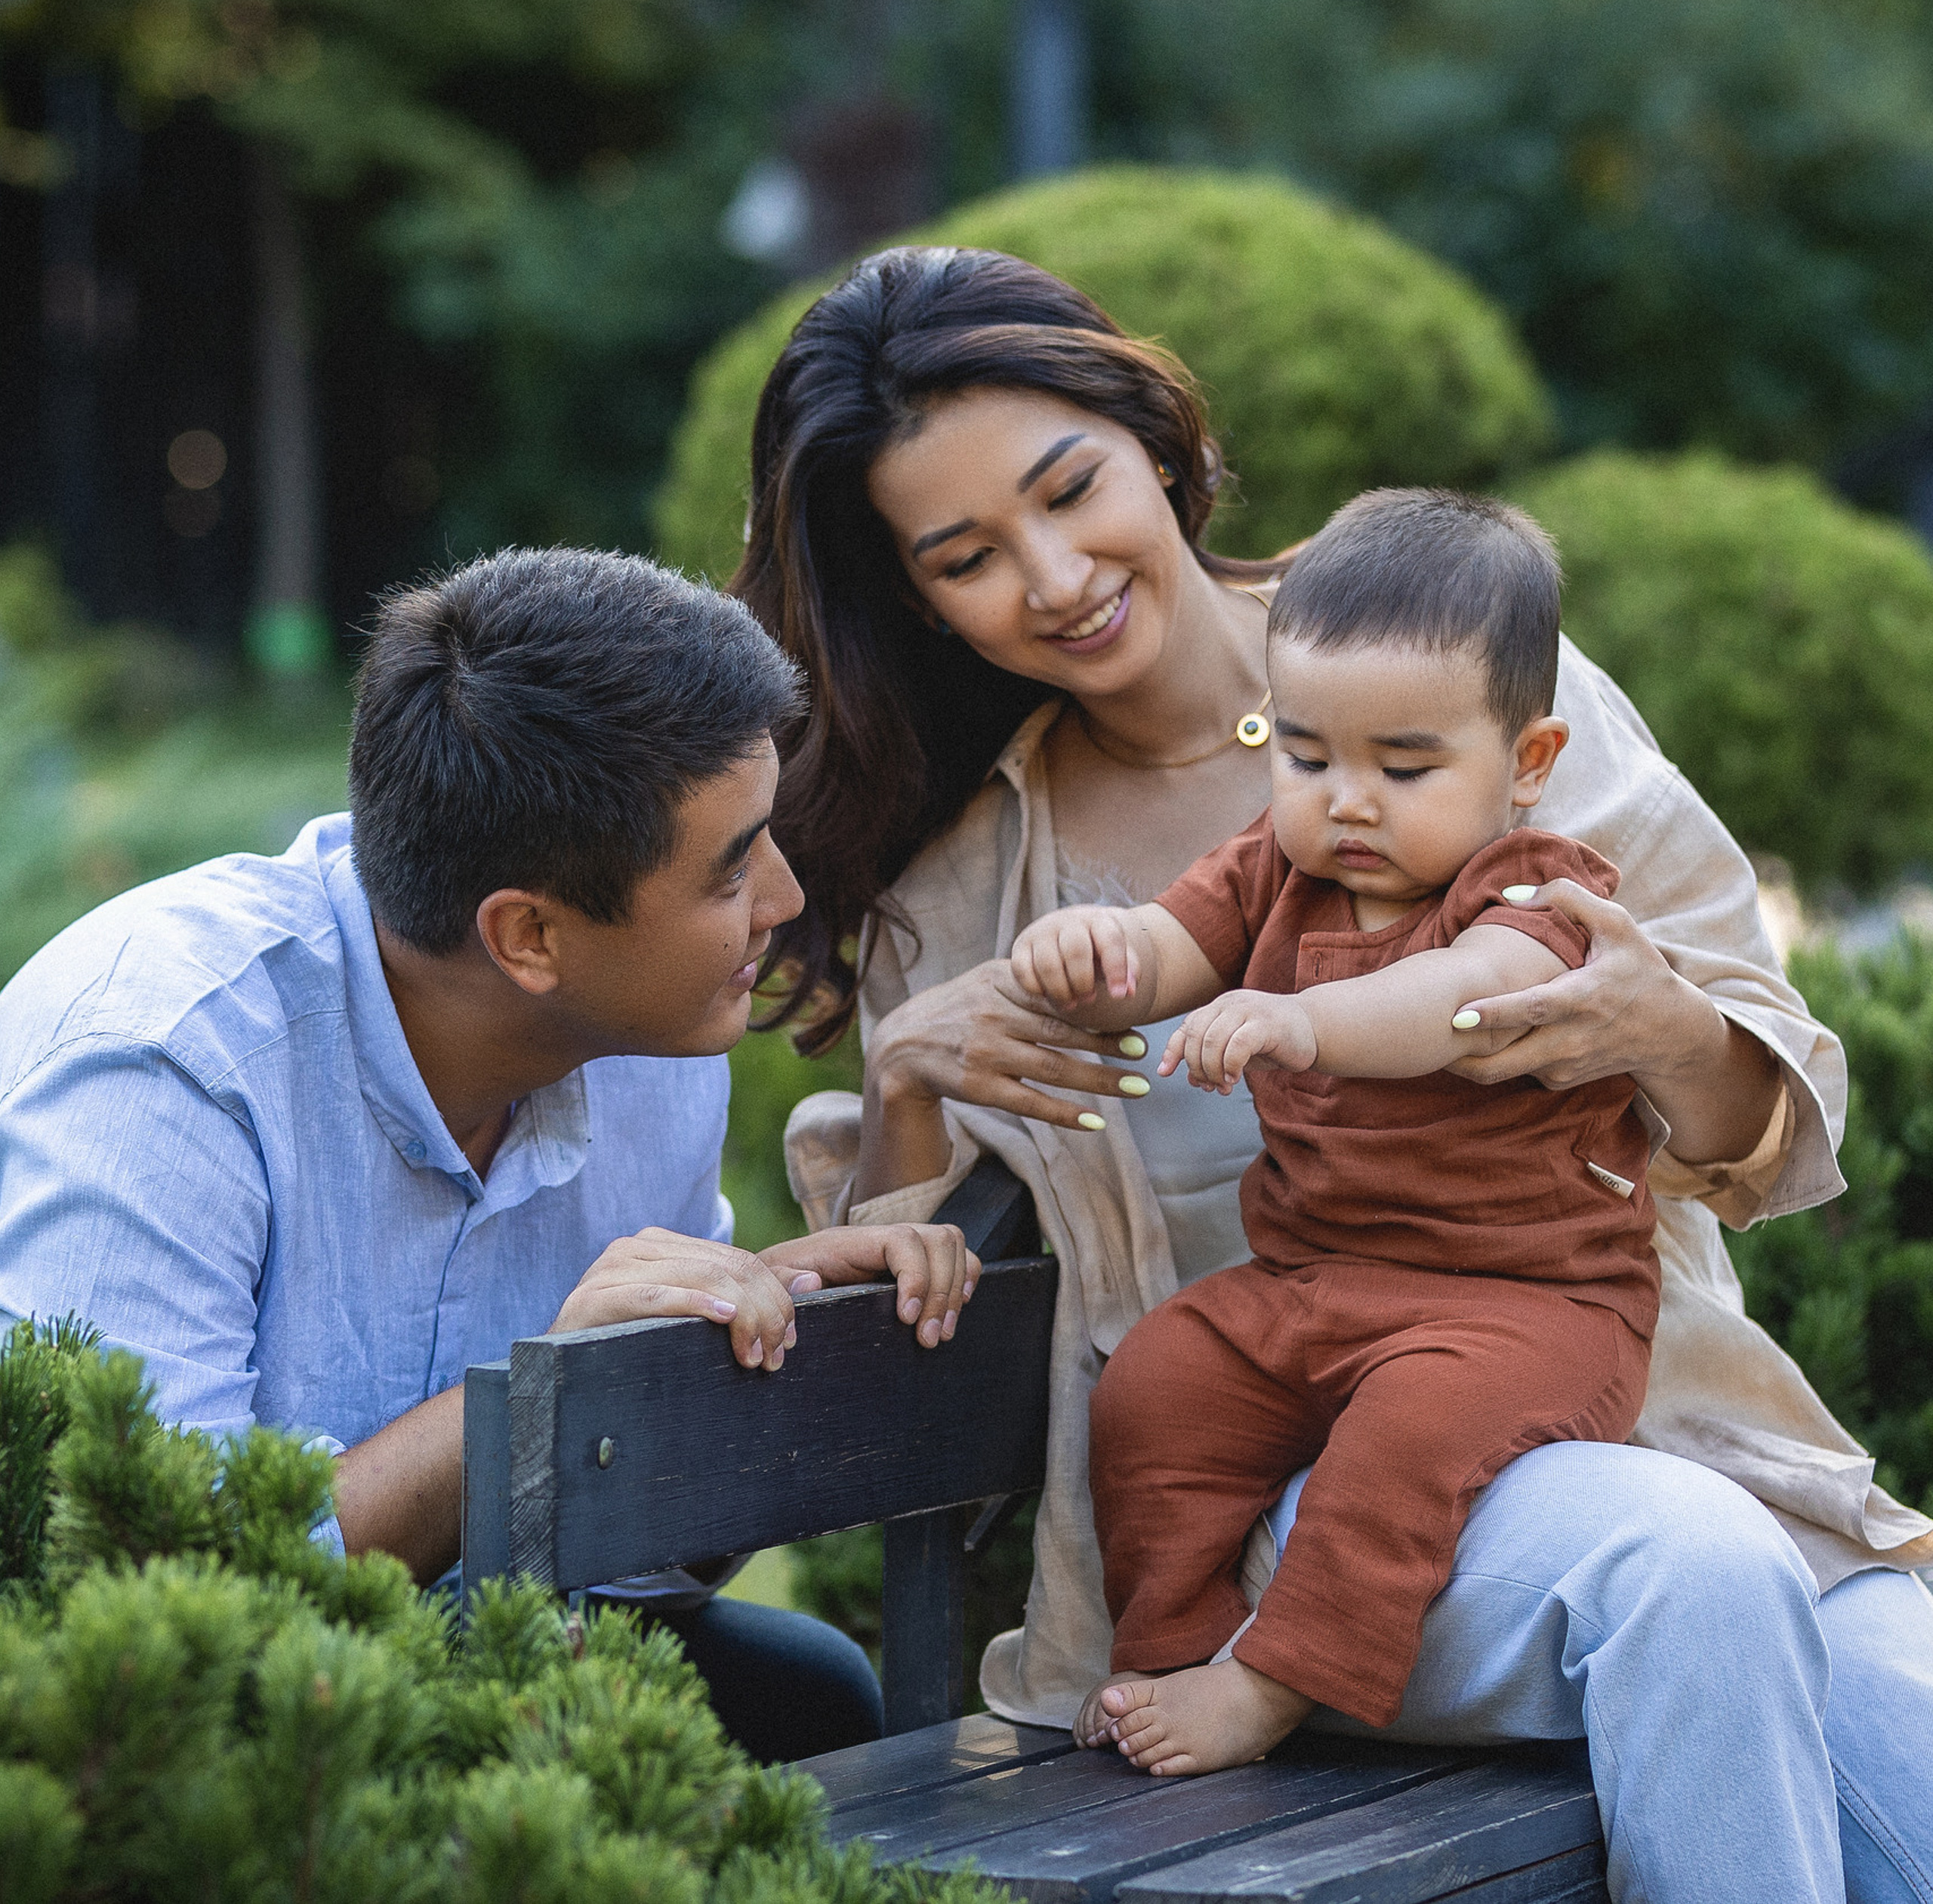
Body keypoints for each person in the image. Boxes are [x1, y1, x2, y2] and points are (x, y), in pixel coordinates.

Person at [740, 245, 1933, 1901]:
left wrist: (1661, 1028)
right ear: (916, 595)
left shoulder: (1452, 658)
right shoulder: (958, 889)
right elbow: (899, 1295)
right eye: (964, 555)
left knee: (1892, 1714)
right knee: (1687, 1571)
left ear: (1148, 439)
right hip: (1289, 1512)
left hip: (1648, 1423)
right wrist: (914, 1088)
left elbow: (1754, 1132)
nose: (1053, 572)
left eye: (1069, 487)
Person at [0, 547, 979, 1765]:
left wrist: (729, 1354)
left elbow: (635, 1587)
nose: (782, 895)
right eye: (732, 867)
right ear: (528, 936)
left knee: (807, 1694)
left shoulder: (657, 1047)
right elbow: (146, 1597)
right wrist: (542, 1402)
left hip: (489, 1697)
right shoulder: (163, 1064)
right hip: (194, 1760)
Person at [1013, 486, 1664, 1773]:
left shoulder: (1540, 890)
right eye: (1307, 756)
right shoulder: (1279, 863)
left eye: (1404, 767)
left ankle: (1272, 1685)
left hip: (1530, 1305)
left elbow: (1459, 999)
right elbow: (1168, 947)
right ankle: (1171, 1646)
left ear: (1526, 764)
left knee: (1401, 1445)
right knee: (1156, 1387)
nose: (1347, 802)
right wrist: (1097, 954)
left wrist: (1306, 1021)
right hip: (1311, 1283)